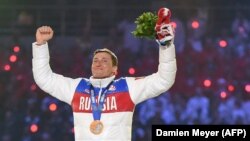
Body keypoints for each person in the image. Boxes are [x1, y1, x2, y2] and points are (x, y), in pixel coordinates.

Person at [32, 7, 177, 141]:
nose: (98, 63)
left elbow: (164, 80)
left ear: (115, 69)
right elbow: (44, 78)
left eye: (104, 60)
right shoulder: (77, 87)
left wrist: (166, 47)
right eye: (95, 60)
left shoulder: (127, 87)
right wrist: (40, 45)